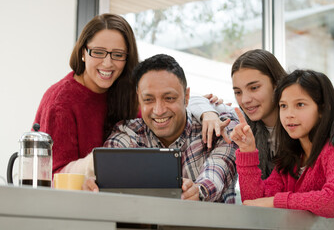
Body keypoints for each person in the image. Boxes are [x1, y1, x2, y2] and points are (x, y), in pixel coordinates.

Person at [84, 54, 239, 203]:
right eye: (148, 99)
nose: (159, 110)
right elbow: (111, 182)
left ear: (186, 97)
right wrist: (99, 187)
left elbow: (216, 172)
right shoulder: (127, 134)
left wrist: (198, 191)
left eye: (169, 98)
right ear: (139, 99)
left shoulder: (220, 129)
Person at [233, 70, 334, 229]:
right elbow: (255, 203)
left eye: (300, 104)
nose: (289, 114)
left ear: (322, 109)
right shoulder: (289, 158)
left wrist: (276, 202)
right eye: (283, 106)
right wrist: (247, 151)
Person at [34, 13, 140, 175]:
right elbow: (55, 177)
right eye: (98, 52)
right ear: (83, 52)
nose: (107, 63)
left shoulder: (129, 94)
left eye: (118, 55)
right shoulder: (61, 102)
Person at [189, 49, 287, 179]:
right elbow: (193, 101)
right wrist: (209, 113)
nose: (245, 100)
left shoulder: (299, 124)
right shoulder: (242, 120)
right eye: (238, 92)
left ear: (276, 84)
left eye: (254, 88)